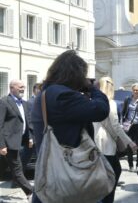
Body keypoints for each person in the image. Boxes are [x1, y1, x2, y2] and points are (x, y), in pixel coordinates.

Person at [30, 50, 110, 203]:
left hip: (50, 172)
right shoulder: (62, 95)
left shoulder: (45, 93)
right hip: (68, 176)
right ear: (76, 74)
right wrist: (92, 88)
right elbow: (101, 110)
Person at [93, 76, 137, 203]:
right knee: (113, 173)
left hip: (97, 141)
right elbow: (116, 126)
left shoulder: (95, 101)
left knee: (105, 175)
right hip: (106, 143)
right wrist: (129, 141)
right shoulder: (110, 103)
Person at [0, 80, 34, 201]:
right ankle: (31, 193)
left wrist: (29, 137)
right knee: (17, 170)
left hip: (20, 142)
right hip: (8, 143)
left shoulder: (24, 104)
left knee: (6, 169)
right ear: (11, 88)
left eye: (24, 87)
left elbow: (27, 122)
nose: (23, 89)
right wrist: (1, 145)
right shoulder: (4, 102)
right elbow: (0, 125)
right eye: (20, 87)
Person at [122, 83, 138, 172]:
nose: (135, 91)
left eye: (137, 90)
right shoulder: (127, 100)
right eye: (134, 90)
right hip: (129, 125)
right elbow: (123, 112)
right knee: (129, 145)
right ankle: (130, 165)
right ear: (132, 90)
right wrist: (122, 123)